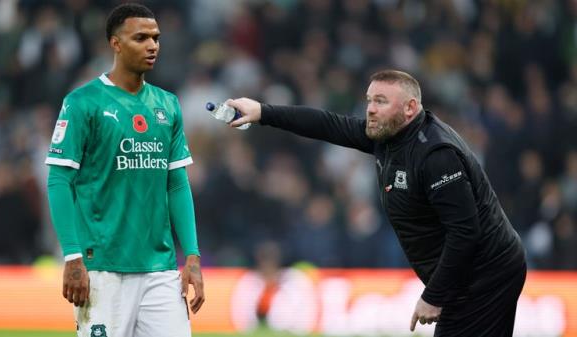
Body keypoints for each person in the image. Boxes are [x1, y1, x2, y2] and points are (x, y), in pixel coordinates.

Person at [226, 70, 527, 336]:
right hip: (474, 274)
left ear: (410, 108)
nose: (370, 109)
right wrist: (263, 112)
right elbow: (326, 124)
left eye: (381, 101)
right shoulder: (387, 136)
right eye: (369, 100)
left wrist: (434, 295)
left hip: (486, 274)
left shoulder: (436, 155)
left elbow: (465, 232)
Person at [45, 4, 204, 337]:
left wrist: (191, 255)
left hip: (159, 269)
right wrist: (72, 256)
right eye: (141, 37)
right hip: (103, 268)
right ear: (115, 44)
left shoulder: (167, 105)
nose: (153, 46)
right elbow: (59, 179)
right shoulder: (82, 102)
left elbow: (176, 184)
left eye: (156, 38)